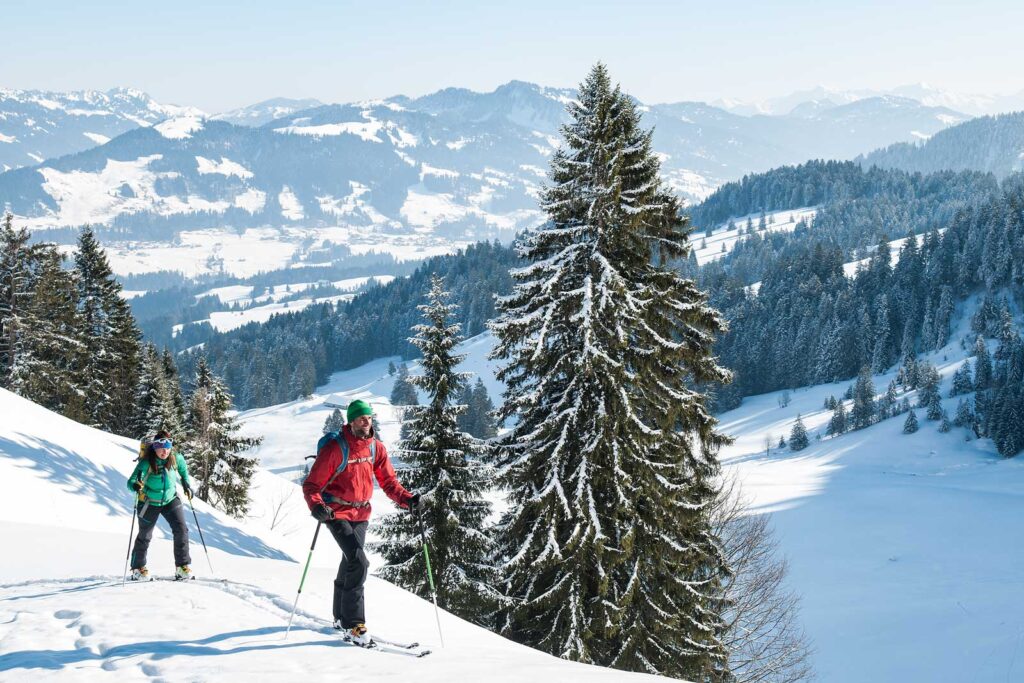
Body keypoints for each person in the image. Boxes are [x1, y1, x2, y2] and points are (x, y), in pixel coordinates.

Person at [302, 399, 419, 645]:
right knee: (359, 561)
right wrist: (316, 506)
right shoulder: (336, 449)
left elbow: (389, 482)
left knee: (350, 561)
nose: (367, 422)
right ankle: (353, 625)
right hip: (335, 512)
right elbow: (311, 485)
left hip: (361, 514)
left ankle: (339, 617)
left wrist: (407, 500)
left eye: (369, 418)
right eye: (361, 418)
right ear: (352, 421)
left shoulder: (376, 448)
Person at [126, 432, 194, 580]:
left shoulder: (175, 457)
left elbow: (183, 469)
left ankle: (182, 567)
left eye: (168, 447)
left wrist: (186, 483)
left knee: (181, 529)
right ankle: (138, 568)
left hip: (170, 499)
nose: (165, 451)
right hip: (149, 502)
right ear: (155, 447)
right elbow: (130, 482)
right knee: (145, 535)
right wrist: (135, 485)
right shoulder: (146, 463)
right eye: (161, 448)